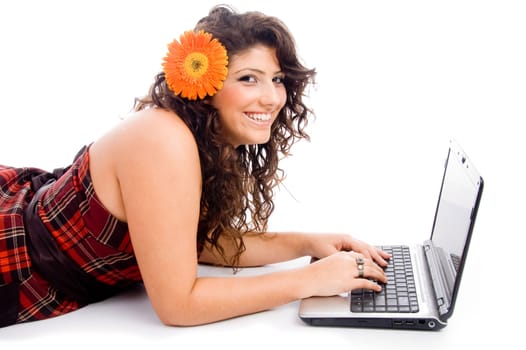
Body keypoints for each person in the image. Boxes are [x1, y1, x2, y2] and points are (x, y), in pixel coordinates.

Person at [0, 5, 390, 328]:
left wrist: (306, 243)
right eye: (249, 78)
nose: (271, 97)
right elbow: (178, 305)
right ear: (205, 84)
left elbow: (190, 244)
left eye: (277, 79)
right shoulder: (163, 140)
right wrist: (308, 280)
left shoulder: (197, 136)